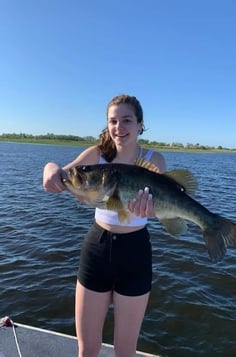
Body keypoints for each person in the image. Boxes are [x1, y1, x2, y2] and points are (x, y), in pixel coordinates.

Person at [43, 94, 166, 357]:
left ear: (140, 124)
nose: (119, 127)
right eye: (113, 121)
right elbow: (61, 175)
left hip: (135, 252)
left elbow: (161, 210)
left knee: (125, 350)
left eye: (126, 120)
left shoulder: (155, 161)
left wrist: (151, 211)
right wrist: (50, 168)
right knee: (87, 348)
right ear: (107, 124)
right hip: (96, 249)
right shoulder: (96, 156)